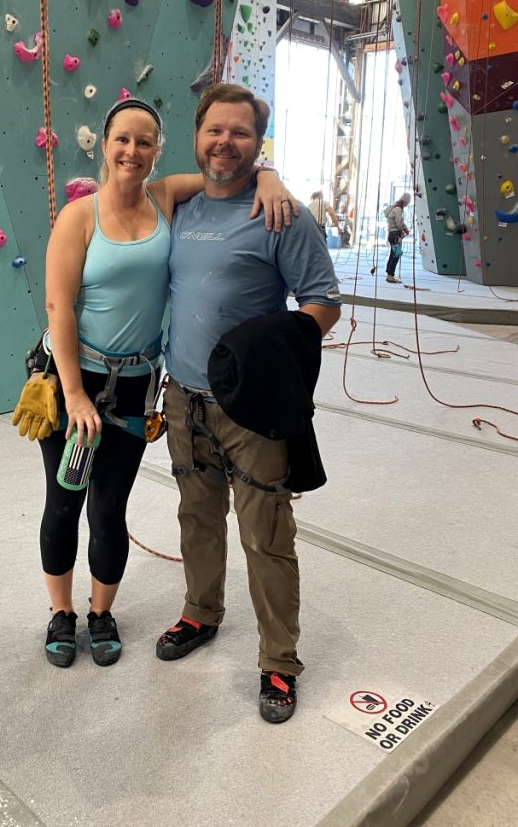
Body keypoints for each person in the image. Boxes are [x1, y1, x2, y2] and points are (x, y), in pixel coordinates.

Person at [33, 97, 298, 669]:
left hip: (135, 384)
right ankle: (61, 614)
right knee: (64, 502)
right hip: (73, 378)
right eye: (122, 139)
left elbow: (227, 168)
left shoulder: (166, 197)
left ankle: (101, 614)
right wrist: (74, 394)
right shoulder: (79, 217)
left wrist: (272, 174)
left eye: (145, 141)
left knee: (109, 509)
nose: (133, 151)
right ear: (104, 146)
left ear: (157, 151)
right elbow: (59, 308)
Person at [154, 83, 341, 723]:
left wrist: (275, 349)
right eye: (214, 131)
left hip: (251, 409)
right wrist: (264, 172)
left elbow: (322, 302)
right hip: (183, 399)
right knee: (197, 518)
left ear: (258, 143)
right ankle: (201, 613)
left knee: (266, 535)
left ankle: (279, 664)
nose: (224, 143)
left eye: (240, 133)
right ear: (198, 136)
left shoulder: (282, 215)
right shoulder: (179, 208)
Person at [384, 192, 410, 283]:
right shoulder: (398, 209)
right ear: (404, 201)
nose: (406, 205)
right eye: (407, 203)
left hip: (391, 234)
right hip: (396, 235)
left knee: (393, 254)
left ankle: (389, 273)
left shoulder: (392, 208)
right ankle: (390, 276)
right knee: (396, 254)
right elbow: (399, 223)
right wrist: (405, 229)